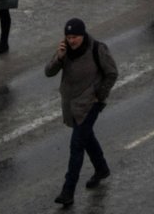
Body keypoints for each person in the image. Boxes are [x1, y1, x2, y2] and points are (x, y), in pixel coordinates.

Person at [46, 17, 117, 207]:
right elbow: (48, 72)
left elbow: (112, 73)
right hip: (72, 105)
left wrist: (99, 95)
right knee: (86, 137)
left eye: (75, 37)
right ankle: (101, 168)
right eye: (68, 37)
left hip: (90, 104)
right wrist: (59, 57)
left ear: (83, 35)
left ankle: (68, 191)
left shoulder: (97, 49)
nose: (72, 41)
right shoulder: (65, 51)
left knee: (76, 145)